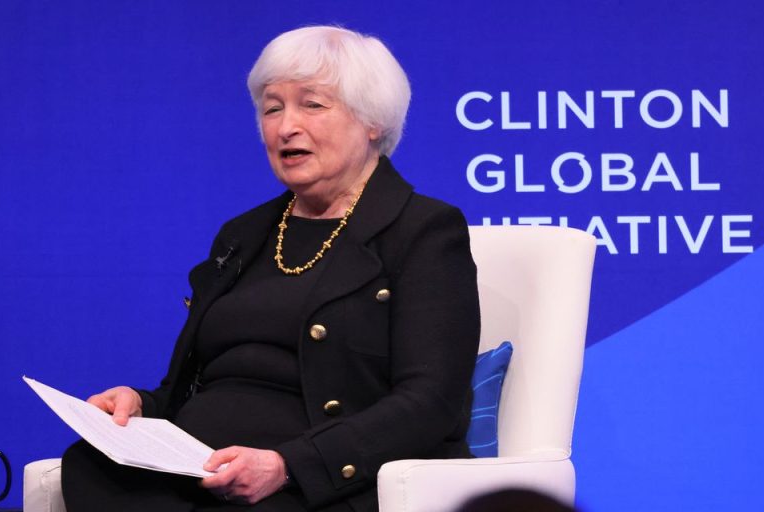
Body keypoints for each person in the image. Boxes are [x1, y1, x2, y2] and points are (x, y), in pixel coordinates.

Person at [61, 25, 481, 512]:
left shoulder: (424, 230)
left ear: (373, 122)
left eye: (312, 105)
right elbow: (201, 383)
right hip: (202, 467)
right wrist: (141, 406)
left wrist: (289, 466)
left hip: (318, 483)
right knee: (91, 467)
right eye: (272, 108)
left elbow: (431, 402)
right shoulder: (243, 234)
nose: (285, 128)